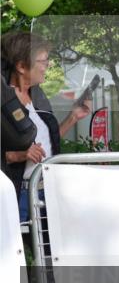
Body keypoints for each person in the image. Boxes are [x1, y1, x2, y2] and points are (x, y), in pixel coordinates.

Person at [1, 31, 91, 222]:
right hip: (19, 194)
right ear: (21, 66)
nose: (47, 65)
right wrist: (20, 155)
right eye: (42, 61)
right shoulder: (4, 103)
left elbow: (47, 142)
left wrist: (73, 118)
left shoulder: (38, 97)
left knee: (50, 251)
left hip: (47, 191)